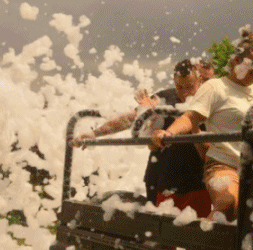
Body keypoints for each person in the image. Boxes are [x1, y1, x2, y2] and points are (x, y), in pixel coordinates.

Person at [151, 29, 253, 221]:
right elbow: (191, 117)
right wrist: (168, 132)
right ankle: (205, 237)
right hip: (225, 164)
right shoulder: (215, 87)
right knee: (228, 204)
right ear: (237, 61)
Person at [73, 59, 205, 207]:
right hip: (161, 178)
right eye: (179, 87)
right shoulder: (163, 98)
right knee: (157, 220)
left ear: (199, 81)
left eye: (189, 87)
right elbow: (130, 119)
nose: (184, 93)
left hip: (197, 181)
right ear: (174, 80)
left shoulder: (207, 99)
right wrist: (95, 133)